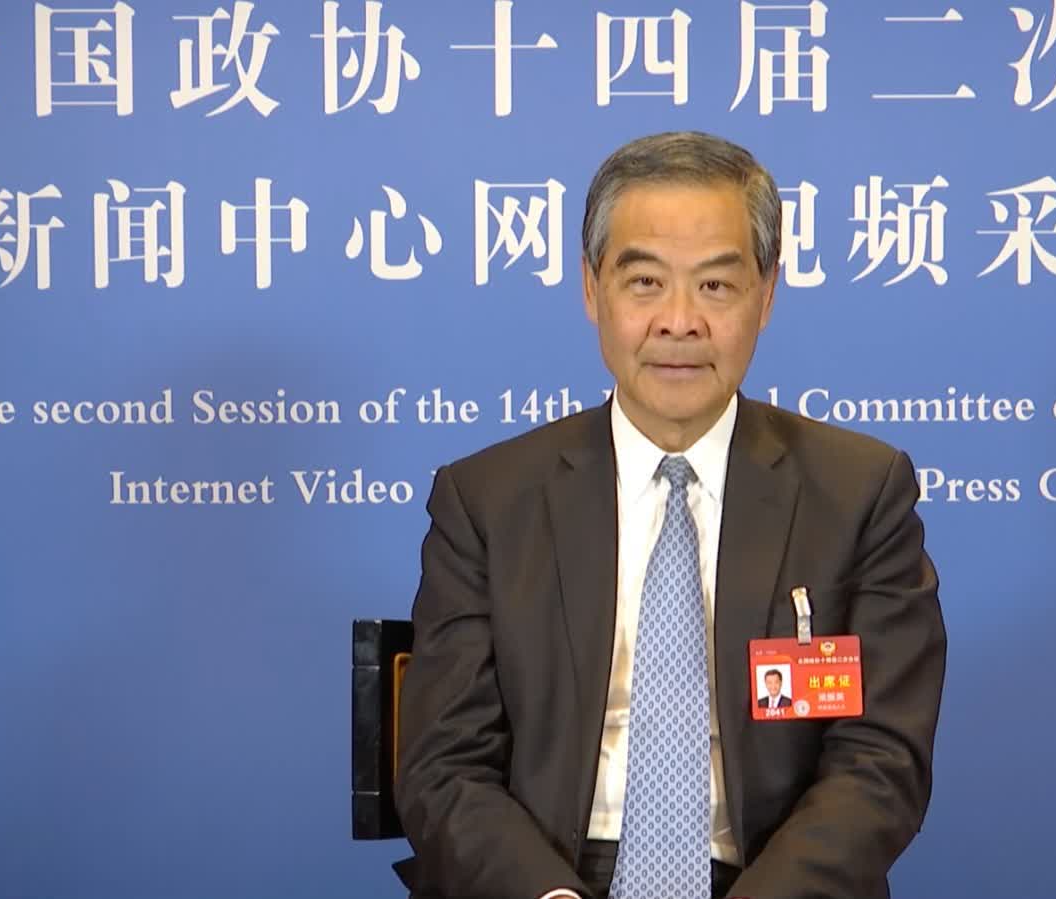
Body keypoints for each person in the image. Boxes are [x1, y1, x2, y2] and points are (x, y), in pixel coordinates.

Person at [394, 131, 946, 899]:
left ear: (767, 294)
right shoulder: (487, 499)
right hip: (551, 878)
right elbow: (444, 766)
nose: (679, 321)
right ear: (592, 290)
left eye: (715, 285)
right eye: (645, 282)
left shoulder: (859, 493)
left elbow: (880, 762)